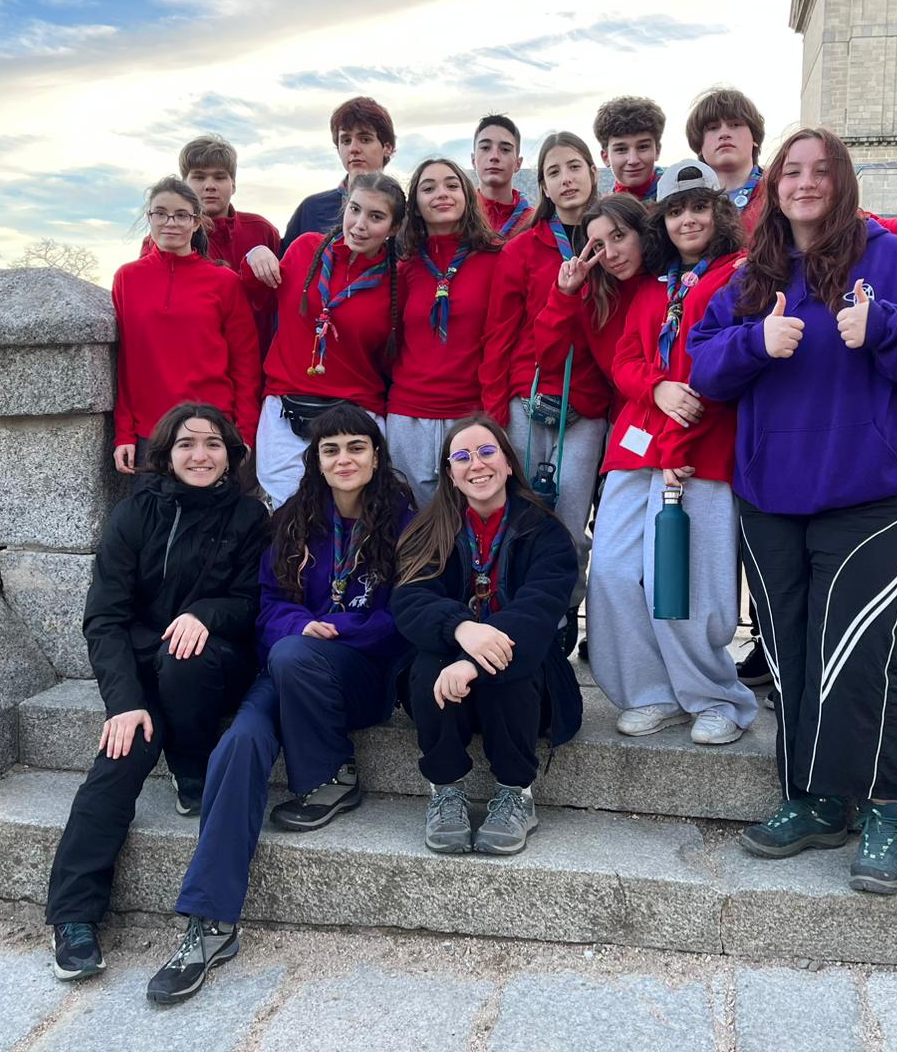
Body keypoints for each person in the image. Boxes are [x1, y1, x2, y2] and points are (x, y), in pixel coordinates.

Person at [687, 128, 897, 896]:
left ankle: (882, 808)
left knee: (861, 651)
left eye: (820, 171)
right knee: (790, 656)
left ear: (841, 182)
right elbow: (703, 367)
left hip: (876, 494)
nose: (804, 183)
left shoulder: (888, 258)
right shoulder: (751, 275)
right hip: (773, 496)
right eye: (791, 172)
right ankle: (813, 801)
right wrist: (755, 340)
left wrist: (884, 327)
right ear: (774, 187)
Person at [146, 405, 414, 1004]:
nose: (343, 459)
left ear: (376, 455)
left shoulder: (405, 521)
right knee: (238, 743)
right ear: (314, 461)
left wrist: (338, 633)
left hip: (361, 674)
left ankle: (332, 775)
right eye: (330, 450)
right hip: (292, 663)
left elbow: (410, 613)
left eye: (355, 447)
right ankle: (209, 923)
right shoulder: (294, 520)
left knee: (293, 657)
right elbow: (268, 604)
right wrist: (302, 625)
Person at [47, 403, 267, 982]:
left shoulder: (248, 516)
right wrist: (123, 703)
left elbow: (251, 604)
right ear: (166, 453)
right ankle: (73, 918)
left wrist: (203, 613)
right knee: (116, 762)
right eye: (188, 444)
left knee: (185, 656)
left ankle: (192, 772)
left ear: (232, 455)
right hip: (141, 674)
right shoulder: (133, 514)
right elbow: (104, 619)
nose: (201, 455)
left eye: (214, 444)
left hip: (212, 661)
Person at [587, 160, 760, 744]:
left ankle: (714, 698)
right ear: (662, 220)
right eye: (677, 210)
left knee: (689, 583)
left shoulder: (742, 275)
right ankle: (650, 691)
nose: (688, 219)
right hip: (637, 449)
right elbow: (626, 361)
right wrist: (655, 387)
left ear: (720, 212)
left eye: (699, 206)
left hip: (701, 453)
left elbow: (733, 366)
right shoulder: (651, 287)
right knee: (611, 571)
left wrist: (680, 439)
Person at [392, 416, 579, 856]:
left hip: (524, 683)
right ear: (451, 474)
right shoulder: (427, 529)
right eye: (462, 457)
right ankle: (445, 789)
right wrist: (462, 629)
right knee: (426, 665)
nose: (476, 464)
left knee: (510, 664)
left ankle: (516, 792)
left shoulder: (545, 531)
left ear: (510, 463)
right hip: (446, 679)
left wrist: (475, 658)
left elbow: (537, 613)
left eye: (486, 451)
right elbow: (410, 601)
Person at [481, 133, 609, 643]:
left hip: (586, 407)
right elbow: (498, 334)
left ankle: (563, 615)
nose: (566, 179)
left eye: (574, 167)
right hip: (525, 400)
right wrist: (494, 411)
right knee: (527, 517)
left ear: (592, 174)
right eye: (554, 172)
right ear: (544, 187)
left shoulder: (614, 241)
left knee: (570, 523)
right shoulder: (521, 249)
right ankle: (530, 618)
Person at [255, 172, 403, 507]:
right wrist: (255, 256)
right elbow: (257, 302)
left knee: (350, 511)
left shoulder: (397, 280)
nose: (360, 224)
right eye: (355, 209)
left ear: (393, 228)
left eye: (376, 217)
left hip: (356, 411)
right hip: (286, 409)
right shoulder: (304, 248)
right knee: (287, 511)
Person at [683, 86, 897, 248]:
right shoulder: (685, 205)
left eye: (735, 125)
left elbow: (857, 221)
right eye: (712, 128)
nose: (724, 133)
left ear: (755, 138)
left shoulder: (783, 188)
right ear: (699, 144)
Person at [112, 177, 262, 472]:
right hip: (150, 434)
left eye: (181, 215)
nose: (171, 222)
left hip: (212, 430)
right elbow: (126, 362)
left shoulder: (224, 282)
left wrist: (244, 432)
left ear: (196, 223)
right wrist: (124, 433)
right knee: (151, 517)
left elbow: (246, 364)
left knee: (211, 518)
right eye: (161, 213)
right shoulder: (127, 279)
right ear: (149, 218)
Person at [387, 158, 503, 505]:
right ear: (416, 205)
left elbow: (502, 339)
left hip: (470, 414)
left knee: (471, 519)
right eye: (429, 187)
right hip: (409, 415)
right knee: (414, 522)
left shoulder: (497, 258)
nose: (442, 194)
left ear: (467, 195)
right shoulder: (404, 266)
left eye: (452, 185)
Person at [532, 192, 664, 424]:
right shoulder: (596, 297)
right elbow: (549, 359)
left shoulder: (675, 283)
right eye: (599, 246)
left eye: (619, 236)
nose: (611, 254)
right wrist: (564, 294)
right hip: (627, 420)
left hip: (679, 412)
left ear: (644, 232)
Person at [157, 135, 280, 354]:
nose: (209, 186)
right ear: (184, 185)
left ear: (233, 184)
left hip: (256, 360)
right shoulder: (164, 238)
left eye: (220, 177)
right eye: (199, 177)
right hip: (193, 360)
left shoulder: (262, 230)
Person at [267, 96, 397, 260]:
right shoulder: (312, 208)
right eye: (346, 140)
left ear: (387, 148)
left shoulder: (405, 215)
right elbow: (284, 269)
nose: (353, 148)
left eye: (365, 139)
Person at [594, 95, 667, 200]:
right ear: (605, 157)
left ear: (657, 151)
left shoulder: (678, 202)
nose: (633, 160)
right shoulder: (603, 212)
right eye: (621, 149)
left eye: (642, 147)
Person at [471, 114, 532, 238]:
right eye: (485, 148)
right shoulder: (459, 220)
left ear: (518, 163)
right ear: (473, 160)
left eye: (505, 149)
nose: (494, 156)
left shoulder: (535, 224)